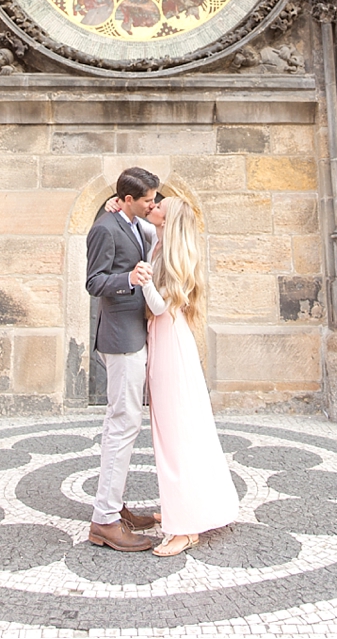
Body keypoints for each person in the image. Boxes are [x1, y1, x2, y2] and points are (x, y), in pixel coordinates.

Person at [135, 195, 240, 555]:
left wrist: (143, 280)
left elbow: (161, 305)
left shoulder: (169, 253)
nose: (155, 205)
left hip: (170, 341)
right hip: (164, 340)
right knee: (170, 431)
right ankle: (183, 508)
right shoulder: (159, 240)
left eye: (161, 204)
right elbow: (137, 220)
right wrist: (116, 207)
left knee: (176, 433)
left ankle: (185, 528)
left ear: (169, 217)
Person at [83, 166, 164, 552]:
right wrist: (128, 280)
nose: (154, 204)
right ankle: (105, 521)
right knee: (122, 422)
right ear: (129, 199)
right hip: (119, 337)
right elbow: (94, 281)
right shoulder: (104, 228)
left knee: (127, 421)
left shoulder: (133, 222)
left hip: (135, 331)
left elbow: (157, 233)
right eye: (148, 199)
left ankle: (114, 507)